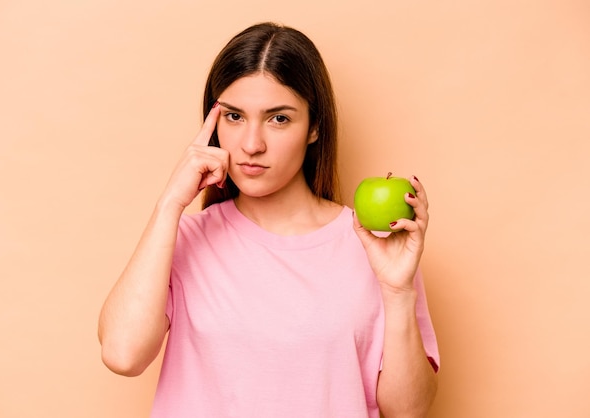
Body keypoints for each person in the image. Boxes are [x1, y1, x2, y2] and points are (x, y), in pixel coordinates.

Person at [98, 22, 440, 418]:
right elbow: (122, 355)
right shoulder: (184, 239)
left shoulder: (375, 247)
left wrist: (398, 293)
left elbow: (408, 411)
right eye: (234, 117)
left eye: (279, 119)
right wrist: (169, 204)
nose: (251, 144)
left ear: (314, 126)